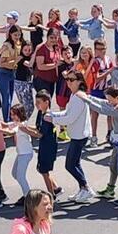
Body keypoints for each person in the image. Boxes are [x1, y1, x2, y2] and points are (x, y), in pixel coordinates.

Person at [78, 86, 118, 205]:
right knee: (113, 165)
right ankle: (110, 189)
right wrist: (88, 96)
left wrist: (86, 100)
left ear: (117, 98)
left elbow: (102, 109)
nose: (109, 101)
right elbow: (104, 102)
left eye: (110, 99)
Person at [46, 72, 94, 203]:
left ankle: (86, 188)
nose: (68, 82)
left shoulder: (79, 97)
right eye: (67, 79)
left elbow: (70, 118)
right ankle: (83, 189)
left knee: (70, 165)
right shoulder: (74, 95)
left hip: (79, 136)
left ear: (79, 81)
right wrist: (53, 114)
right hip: (77, 135)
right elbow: (67, 112)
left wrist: (53, 119)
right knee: (75, 163)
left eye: (71, 80)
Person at [33, 91, 61, 196]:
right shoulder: (41, 113)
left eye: (39, 102)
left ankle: (51, 194)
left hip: (48, 147)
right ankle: (56, 188)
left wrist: (25, 130)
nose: (36, 105)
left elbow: (40, 134)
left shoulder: (47, 117)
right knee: (42, 169)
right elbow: (37, 128)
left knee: (44, 171)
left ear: (47, 102)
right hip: (44, 146)